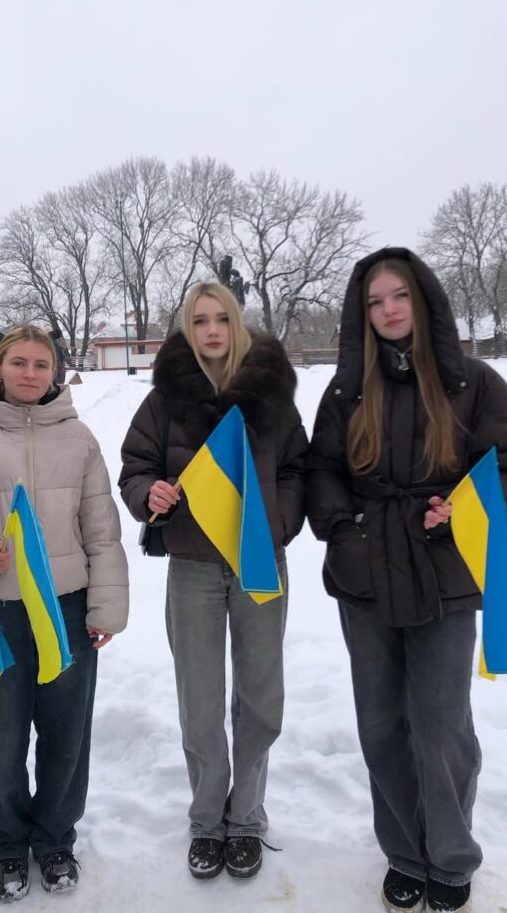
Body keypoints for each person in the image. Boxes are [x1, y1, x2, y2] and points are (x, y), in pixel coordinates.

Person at [305, 248, 507, 913]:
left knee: (442, 724)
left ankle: (451, 855)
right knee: (381, 724)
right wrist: (343, 528)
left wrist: (465, 509)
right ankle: (404, 851)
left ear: (424, 300)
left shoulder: (474, 383)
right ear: (362, 314)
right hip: (365, 575)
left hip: (444, 575)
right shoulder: (346, 390)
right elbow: (322, 470)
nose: (389, 310)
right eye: (375, 301)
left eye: (399, 295)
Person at [0, 324, 128, 902]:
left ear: (55, 371)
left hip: (67, 608)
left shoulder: (80, 439)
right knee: (2, 733)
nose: (30, 373)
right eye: (19, 362)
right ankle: (8, 844)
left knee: (67, 730)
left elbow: (101, 529)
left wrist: (106, 607)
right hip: (1, 610)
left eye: (42, 364)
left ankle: (56, 837)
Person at [118, 281, 307, 882]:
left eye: (221, 318)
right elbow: (135, 468)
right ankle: (207, 819)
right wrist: (149, 493)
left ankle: (246, 816)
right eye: (199, 320)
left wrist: (277, 524)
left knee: (260, 698)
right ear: (188, 327)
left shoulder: (271, 394)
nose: (212, 331)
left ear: (237, 322)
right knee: (199, 703)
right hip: (193, 567)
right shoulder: (165, 400)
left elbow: (299, 470)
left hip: (258, 564)